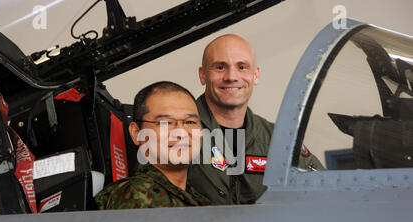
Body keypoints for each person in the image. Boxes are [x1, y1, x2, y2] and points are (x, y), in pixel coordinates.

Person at [188, 34, 324, 205]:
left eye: (242, 67)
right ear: (203, 75)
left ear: (256, 75)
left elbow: (324, 189)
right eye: (220, 67)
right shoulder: (176, 133)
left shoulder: (278, 139)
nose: (231, 76)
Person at [95, 81, 211, 209]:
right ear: (136, 133)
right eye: (165, 123)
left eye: (190, 122)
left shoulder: (198, 199)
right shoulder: (137, 195)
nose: (181, 133)